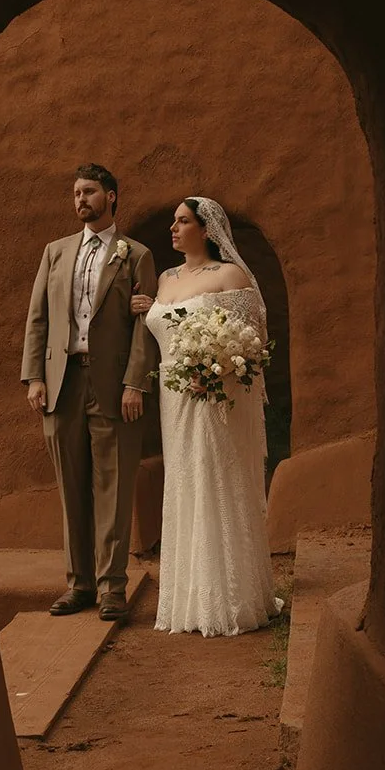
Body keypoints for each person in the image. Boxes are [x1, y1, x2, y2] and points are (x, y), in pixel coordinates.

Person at [132, 197, 281, 636]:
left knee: (216, 479)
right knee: (184, 482)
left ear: (206, 229)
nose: (173, 229)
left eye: (183, 222)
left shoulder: (230, 276)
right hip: (174, 402)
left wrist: (217, 372)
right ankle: (189, 596)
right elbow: (166, 325)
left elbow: (252, 343)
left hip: (214, 400)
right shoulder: (165, 278)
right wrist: (147, 309)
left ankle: (232, 596)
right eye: (174, 222)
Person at [22, 164, 158, 622]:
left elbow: (144, 325)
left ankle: (112, 589)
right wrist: (34, 377)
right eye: (76, 192)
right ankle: (77, 585)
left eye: (90, 192)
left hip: (113, 386)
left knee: (113, 486)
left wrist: (135, 381)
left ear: (111, 197)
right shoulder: (55, 253)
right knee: (72, 488)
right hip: (62, 383)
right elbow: (38, 317)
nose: (81, 199)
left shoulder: (135, 254)